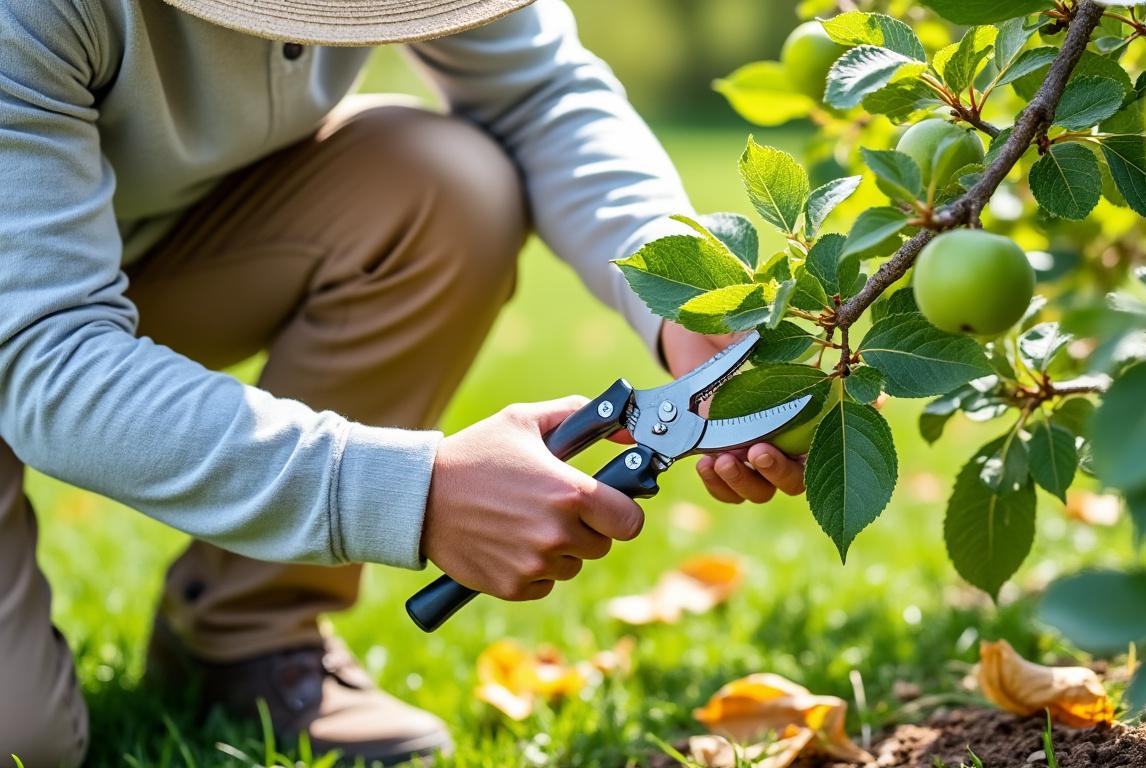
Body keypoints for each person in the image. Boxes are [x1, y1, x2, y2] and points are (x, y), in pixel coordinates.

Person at [0, 0, 808, 763]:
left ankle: (244, 633)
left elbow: (539, 93)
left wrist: (685, 302)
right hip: (35, 320)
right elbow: (45, 351)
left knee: (450, 185)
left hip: (147, 255)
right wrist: (409, 491)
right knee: (24, 741)